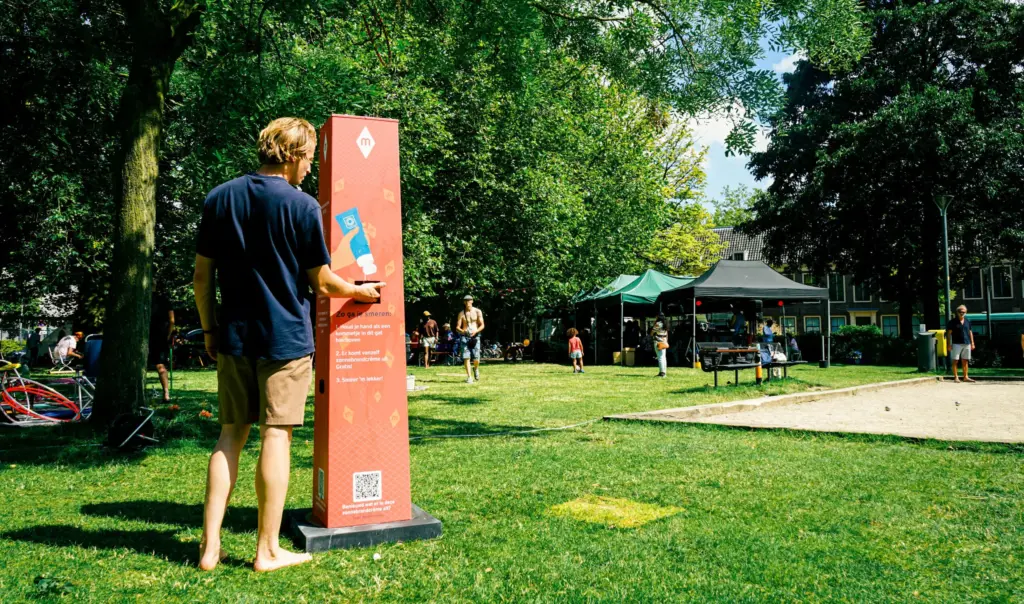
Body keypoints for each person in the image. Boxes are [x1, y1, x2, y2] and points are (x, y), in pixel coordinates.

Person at [194, 117, 383, 573]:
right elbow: (323, 282)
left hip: (233, 336)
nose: (311, 168)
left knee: (230, 435)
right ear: (294, 155)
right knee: (275, 435)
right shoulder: (302, 206)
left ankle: (209, 548)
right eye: (310, 158)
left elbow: (202, 277)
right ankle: (267, 551)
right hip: (286, 340)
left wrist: (209, 331)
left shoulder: (219, 197)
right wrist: (359, 291)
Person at [150, 288, 175, 402]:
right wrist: (168, 335)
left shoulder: (141, 299)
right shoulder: (164, 300)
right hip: (160, 336)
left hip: (145, 335)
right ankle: (166, 393)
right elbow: (172, 320)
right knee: (160, 365)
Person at [456, 294, 485, 383]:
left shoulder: (477, 311)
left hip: (475, 336)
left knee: (476, 358)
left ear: (472, 301)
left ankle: (475, 368)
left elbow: (482, 325)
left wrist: (476, 331)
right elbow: (457, 327)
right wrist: (463, 331)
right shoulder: (461, 313)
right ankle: (469, 377)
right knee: (466, 357)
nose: (468, 302)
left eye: (469, 300)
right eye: (466, 300)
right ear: (464, 302)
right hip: (465, 337)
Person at [946, 304, 976, 383]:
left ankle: (966, 377)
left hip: (967, 343)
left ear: (966, 312)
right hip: (956, 343)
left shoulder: (968, 321)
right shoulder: (952, 322)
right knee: (955, 360)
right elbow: (948, 334)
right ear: (957, 312)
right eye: (960, 311)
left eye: (963, 312)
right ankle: (956, 377)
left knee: (965, 360)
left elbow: (970, 332)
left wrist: (972, 343)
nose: (962, 313)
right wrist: (949, 344)